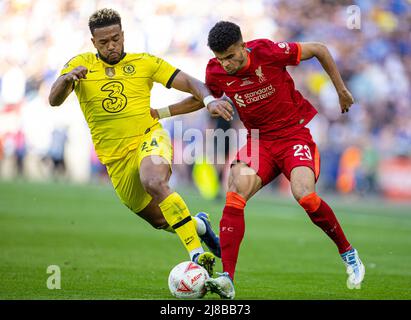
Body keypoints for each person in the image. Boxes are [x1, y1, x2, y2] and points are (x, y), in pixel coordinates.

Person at [158, 21, 366, 299]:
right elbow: (202, 98)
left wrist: (340, 89)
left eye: (231, 56)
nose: (227, 64)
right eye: (221, 59)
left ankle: (348, 252)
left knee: (305, 196)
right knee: (235, 192)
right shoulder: (216, 70)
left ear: (243, 46)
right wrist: (160, 113)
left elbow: (319, 49)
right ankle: (228, 279)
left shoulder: (268, 51)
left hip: (294, 135)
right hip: (259, 141)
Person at [48, 9, 234, 276]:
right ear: (93, 43)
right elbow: (54, 100)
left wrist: (209, 101)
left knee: (155, 181)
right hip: (115, 160)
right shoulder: (80, 64)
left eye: (115, 38)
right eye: (103, 42)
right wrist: (67, 80)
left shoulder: (145, 63)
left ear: (123, 35)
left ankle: (196, 254)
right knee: (160, 220)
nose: (111, 46)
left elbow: (191, 83)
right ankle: (200, 226)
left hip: (149, 137)